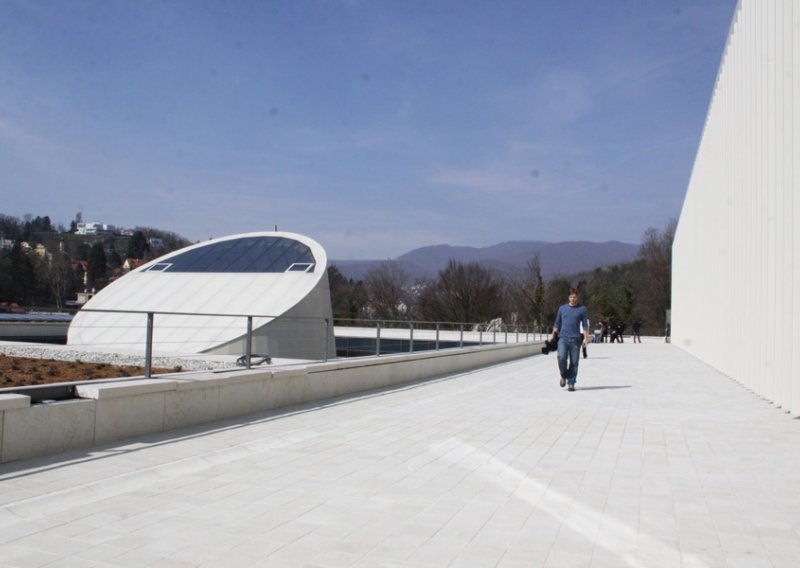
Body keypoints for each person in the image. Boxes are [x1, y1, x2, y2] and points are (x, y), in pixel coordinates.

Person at [550, 289, 590, 392]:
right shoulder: (562, 308)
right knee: (561, 357)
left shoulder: (582, 309)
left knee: (575, 362)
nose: (573, 299)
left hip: (575, 339)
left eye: (575, 297)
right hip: (563, 338)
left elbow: (585, 325)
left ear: (577, 297)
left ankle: (571, 382)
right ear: (568, 297)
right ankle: (564, 374)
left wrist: (586, 338)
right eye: (571, 297)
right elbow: (557, 323)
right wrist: (553, 336)